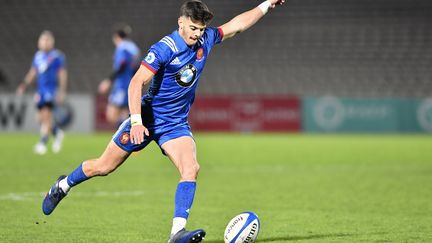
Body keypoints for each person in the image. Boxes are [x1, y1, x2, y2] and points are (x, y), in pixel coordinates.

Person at [42, 0, 284, 242]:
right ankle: (62, 186)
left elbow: (237, 25)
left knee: (191, 168)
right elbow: (136, 83)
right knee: (103, 167)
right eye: (193, 28)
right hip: (147, 118)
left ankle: (176, 233)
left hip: (175, 124)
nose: (197, 34)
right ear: (181, 23)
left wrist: (265, 5)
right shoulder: (164, 48)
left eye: (201, 29)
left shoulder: (205, 40)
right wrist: (136, 122)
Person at [17, 30, 67, 155]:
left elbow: (62, 74)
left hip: (51, 90)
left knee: (46, 116)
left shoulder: (56, 56)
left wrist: (62, 91)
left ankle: (42, 143)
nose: (44, 42)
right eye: (42, 40)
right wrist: (24, 84)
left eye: (47, 40)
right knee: (40, 118)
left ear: (52, 42)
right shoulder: (38, 56)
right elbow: (33, 72)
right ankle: (56, 132)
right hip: (41, 90)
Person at [98, 25, 141, 128]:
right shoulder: (134, 48)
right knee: (126, 113)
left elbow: (121, 65)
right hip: (131, 84)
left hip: (121, 85)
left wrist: (108, 81)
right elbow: (137, 66)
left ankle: (124, 137)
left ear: (116, 37)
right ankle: (128, 136)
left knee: (111, 115)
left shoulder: (122, 47)